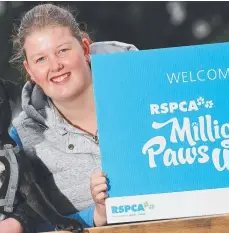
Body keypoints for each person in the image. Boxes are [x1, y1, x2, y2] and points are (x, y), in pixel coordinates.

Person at [8, 3, 138, 232]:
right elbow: (25, 224)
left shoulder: (145, 93)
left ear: (85, 48)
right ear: (29, 70)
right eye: (41, 59)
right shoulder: (20, 137)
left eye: (63, 51)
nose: (56, 66)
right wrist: (94, 216)